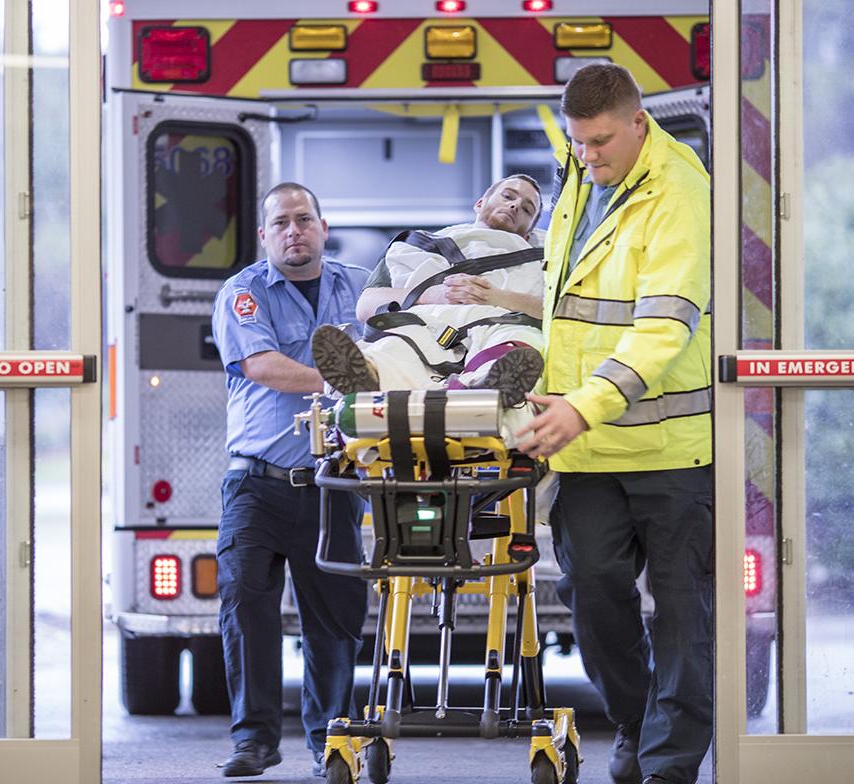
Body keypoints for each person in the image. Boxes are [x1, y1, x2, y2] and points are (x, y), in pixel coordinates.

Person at [518, 63, 713, 784]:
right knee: (592, 593)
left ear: (639, 123)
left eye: (600, 141)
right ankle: (635, 720)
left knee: (683, 618)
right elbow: (564, 310)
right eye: (577, 143)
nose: (588, 156)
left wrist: (580, 405)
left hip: (669, 450)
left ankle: (668, 767)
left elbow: (663, 330)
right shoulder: (582, 182)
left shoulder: (681, 194)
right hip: (588, 449)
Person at [211, 182, 369, 779]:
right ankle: (254, 740)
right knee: (246, 604)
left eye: (304, 219)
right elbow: (262, 366)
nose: (294, 231)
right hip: (256, 483)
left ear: (324, 228)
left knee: (333, 619)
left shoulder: (360, 288)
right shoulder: (244, 293)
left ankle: (333, 739)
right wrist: (337, 380)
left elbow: (402, 341)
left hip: (334, 484)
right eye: (281, 222)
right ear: (265, 235)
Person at [311, 175, 546, 447]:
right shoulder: (417, 246)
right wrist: (432, 295)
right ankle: (367, 376)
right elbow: (366, 306)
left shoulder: (544, 260)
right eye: (508, 196)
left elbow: (552, 311)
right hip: (429, 322)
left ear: (529, 231)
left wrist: (494, 296)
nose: (516, 205)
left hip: (500, 322)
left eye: (528, 208)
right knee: (398, 342)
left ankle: (486, 389)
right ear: (480, 203)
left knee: (518, 345)